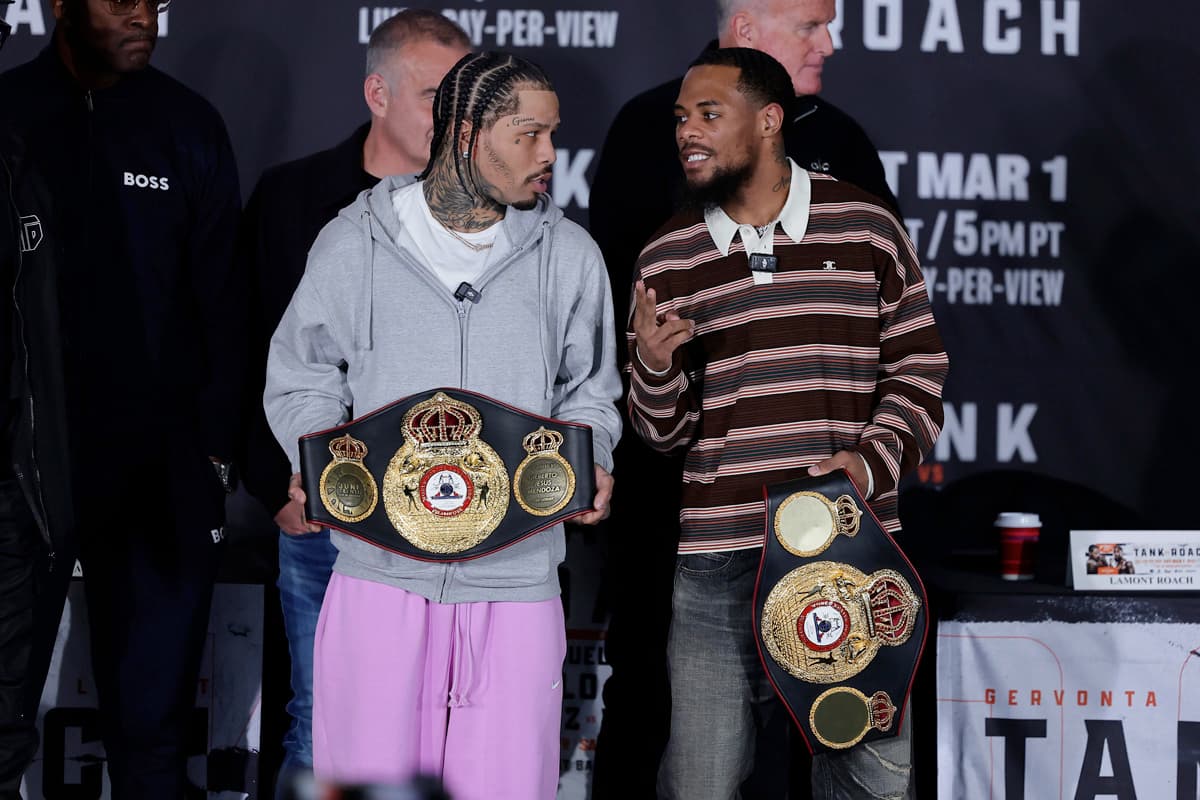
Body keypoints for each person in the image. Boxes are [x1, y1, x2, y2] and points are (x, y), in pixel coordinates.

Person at [263, 52, 622, 799]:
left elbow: (588, 391)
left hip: (518, 582)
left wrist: (593, 458)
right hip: (379, 579)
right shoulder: (353, 243)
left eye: (553, 134)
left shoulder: (573, 256)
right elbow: (301, 373)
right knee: (366, 786)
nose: (550, 155)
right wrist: (325, 457)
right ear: (465, 133)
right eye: (528, 135)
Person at [587, 3, 899, 794]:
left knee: (847, 744)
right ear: (752, 26)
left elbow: (909, 351)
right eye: (811, 23)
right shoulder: (645, 146)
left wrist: (868, 461)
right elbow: (640, 348)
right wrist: (654, 372)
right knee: (673, 729)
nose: (829, 42)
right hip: (691, 514)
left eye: (707, 117)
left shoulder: (849, 157)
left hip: (837, 521)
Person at [0, 0, 246, 795]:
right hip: (25, 475)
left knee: (153, 737)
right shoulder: (9, 115)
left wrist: (212, 455)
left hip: (157, 473)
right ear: (60, 6)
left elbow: (225, 305)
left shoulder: (189, 123)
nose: (142, 13)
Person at [237, 11, 470, 795]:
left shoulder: (494, 214)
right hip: (325, 523)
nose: (457, 117)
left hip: (455, 521)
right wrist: (278, 489)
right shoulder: (293, 196)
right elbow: (249, 345)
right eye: (438, 94)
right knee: (319, 721)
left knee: (442, 730)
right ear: (378, 91)